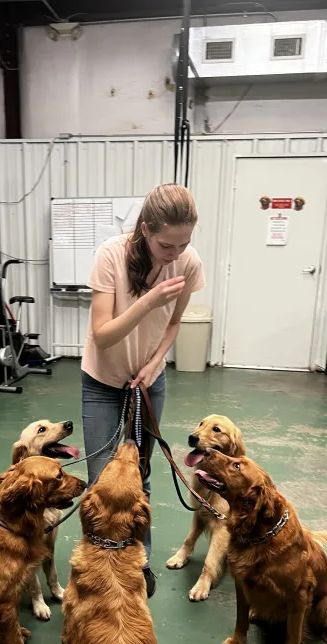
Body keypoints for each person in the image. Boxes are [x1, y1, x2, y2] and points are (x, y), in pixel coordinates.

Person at [81, 183, 206, 597]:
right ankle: (101, 567)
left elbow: (173, 326)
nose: (175, 254)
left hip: (149, 381)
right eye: (167, 245)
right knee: (103, 482)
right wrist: (148, 301)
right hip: (102, 380)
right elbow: (102, 336)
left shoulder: (188, 262)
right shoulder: (110, 255)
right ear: (146, 229)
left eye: (183, 244)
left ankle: (139, 565)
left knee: (141, 476)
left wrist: (155, 364)